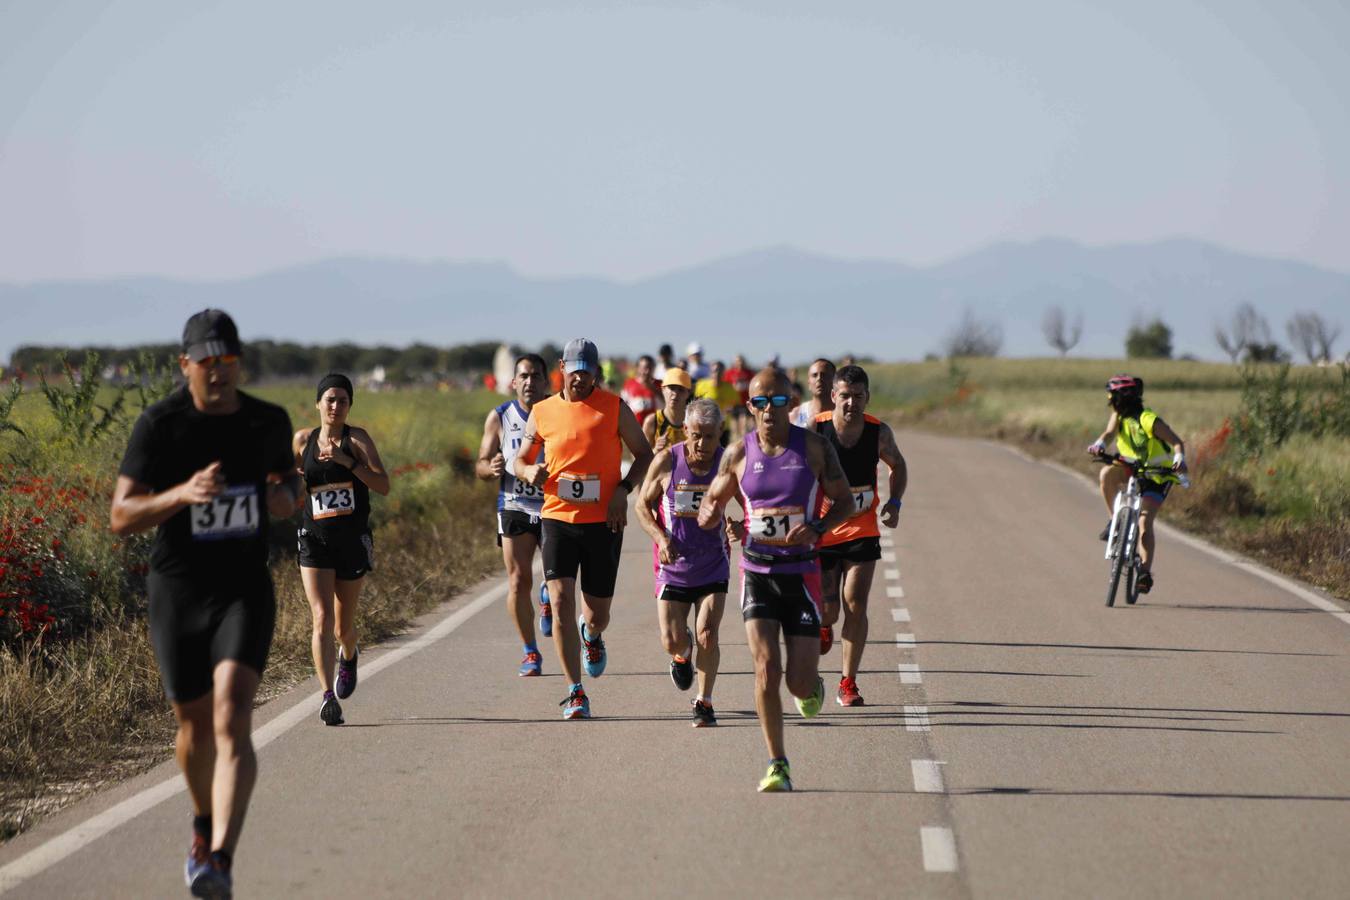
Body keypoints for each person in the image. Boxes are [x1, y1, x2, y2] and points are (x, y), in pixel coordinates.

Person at [110, 310, 299, 898]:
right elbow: (121, 516)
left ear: (239, 362)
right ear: (184, 364)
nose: (218, 373)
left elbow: (289, 484)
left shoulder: (268, 421)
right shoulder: (161, 424)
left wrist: (283, 498)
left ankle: (218, 858)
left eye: (228, 361)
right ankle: (201, 822)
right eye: (206, 362)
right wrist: (182, 494)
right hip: (179, 589)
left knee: (232, 716)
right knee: (193, 728)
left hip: (243, 587)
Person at [697, 368, 853, 792]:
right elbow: (711, 502)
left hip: (802, 575)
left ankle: (813, 684)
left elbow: (845, 502)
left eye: (779, 402)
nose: (770, 411)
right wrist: (712, 516)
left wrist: (819, 530)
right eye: (761, 403)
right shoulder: (736, 454)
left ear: (791, 402)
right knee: (766, 667)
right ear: (750, 406)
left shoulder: (816, 449)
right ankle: (777, 762)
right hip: (758, 572)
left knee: (796, 682)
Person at [514, 338, 654, 719]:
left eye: (587, 371)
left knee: (596, 615)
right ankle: (575, 691)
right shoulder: (542, 411)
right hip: (557, 517)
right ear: (561, 367)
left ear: (596, 372)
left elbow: (644, 453)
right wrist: (529, 471)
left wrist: (623, 490)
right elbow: (519, 460)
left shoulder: (614, 407)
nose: (580, 377)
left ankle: (591, 636)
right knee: (560, 600)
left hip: (603, 523)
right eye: (574, 369)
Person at [294, 373, 390, 726]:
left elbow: (383, 485)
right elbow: (293, 478)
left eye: (343, 401)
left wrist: (346, 461)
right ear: (318, 403)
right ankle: (327, 696)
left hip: (351, 541)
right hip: (314, 539)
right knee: (321, 617)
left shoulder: (357, 439)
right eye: (330, 400)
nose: (335, 406)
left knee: (341, 629)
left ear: (350, 406)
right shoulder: (302, 439)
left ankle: (348, 655)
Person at [810, 365, 906, 705]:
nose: (851, 403)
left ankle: (848, 682)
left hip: (862, 530)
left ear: (867, 398)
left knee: (856, 604)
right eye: (845, 396)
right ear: (834, 396)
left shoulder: (878, 432)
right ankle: (823, 626)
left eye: (858, 397)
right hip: (823, 531)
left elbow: (898, 465)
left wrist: (894, 501)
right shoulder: (817, 428)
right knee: (829, 610)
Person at [634, 399, 729, 727]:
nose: (702, 444)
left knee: (708, 633)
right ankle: (681, 652)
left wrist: (742, 525)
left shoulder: (728, 463)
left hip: (713, 562)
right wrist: (661, 539)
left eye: (710, 436)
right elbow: (641, 507)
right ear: (685, 431)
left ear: (721, 433)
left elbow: (750, 500)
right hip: (673, 564)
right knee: (672, 639)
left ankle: (704, 702)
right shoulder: (666, 462)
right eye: (696, 435)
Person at [476, 354, 552, 676]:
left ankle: (549, 595)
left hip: (553, 506)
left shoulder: (558, 413)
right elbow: (480, 462)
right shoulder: (500, 417)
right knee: (519, 580)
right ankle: (530, 651)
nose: (530, 382)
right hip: (515, 503)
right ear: (513, 381)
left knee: (557, 578)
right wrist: (489, 467)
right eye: (524, 376)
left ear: (546, 381)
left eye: (536, 376)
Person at [1087, 374, 1187, 594]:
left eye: (1111, 395)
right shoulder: (1120, 415)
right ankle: (1115, 522)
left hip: (1156, 476)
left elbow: (1177, 442)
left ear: (1119, 398)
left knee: (1145, 522)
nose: (1109, 399)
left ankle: (1144, 571)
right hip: (1130, 467)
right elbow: (1109, 433)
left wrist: (1179, 460)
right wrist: (1099, 444)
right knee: (1106, 475)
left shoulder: (1148, 420)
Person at [643, 367, 693, 453]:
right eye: (672, 388)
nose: (675, 393)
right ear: (663, 389)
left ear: (688, 393)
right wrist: (655, 450)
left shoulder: (694, 422)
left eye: (681, 389)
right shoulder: (652, 422)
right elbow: (639, 460)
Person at [791, 358, 836, 427]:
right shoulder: (796, 415)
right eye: (814, 375)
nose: (819, 379)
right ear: (808, 383)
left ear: (835, 381)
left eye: (824, 375)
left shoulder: (843, 412)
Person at [621, 354, 660, 427]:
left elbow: (666, 403)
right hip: (635, 428)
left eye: (650, 368)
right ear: (638, 368)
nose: (647, 371)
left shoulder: (659, 384)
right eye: (644, 368)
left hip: (655, 428)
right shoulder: (629, 384)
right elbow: (622, 406)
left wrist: (653, 388)